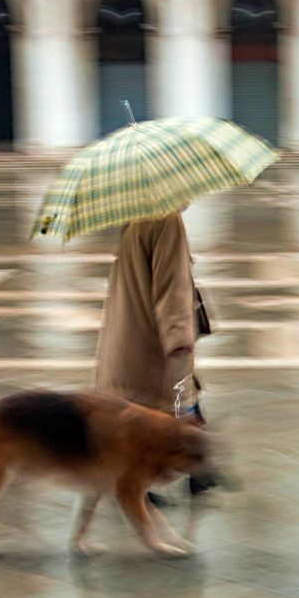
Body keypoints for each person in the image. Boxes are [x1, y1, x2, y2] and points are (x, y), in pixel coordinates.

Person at [93, 211, 217, 500]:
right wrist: (180, 340)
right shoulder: (166, 220)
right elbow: (171, 290)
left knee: (166, 404)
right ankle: (144, 481)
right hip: (155, 343)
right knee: (176, 403)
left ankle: (200, 472)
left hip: (130, 337)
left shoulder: (137, 215)